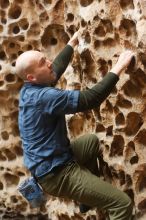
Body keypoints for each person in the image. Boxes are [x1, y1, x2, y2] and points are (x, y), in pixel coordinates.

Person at [16, 31, 134, 220]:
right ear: (31, 77)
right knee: (122, 204)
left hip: (54, 161)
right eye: (42, 63)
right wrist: (119, 66)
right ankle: (90, 193)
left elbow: (54, 69)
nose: (48, 63)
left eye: (45, 58)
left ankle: (87, 200)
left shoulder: (29, 88)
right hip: (57, 174)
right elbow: (90, 99)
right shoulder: (44, 97)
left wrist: (71, 43)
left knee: (91, 142)